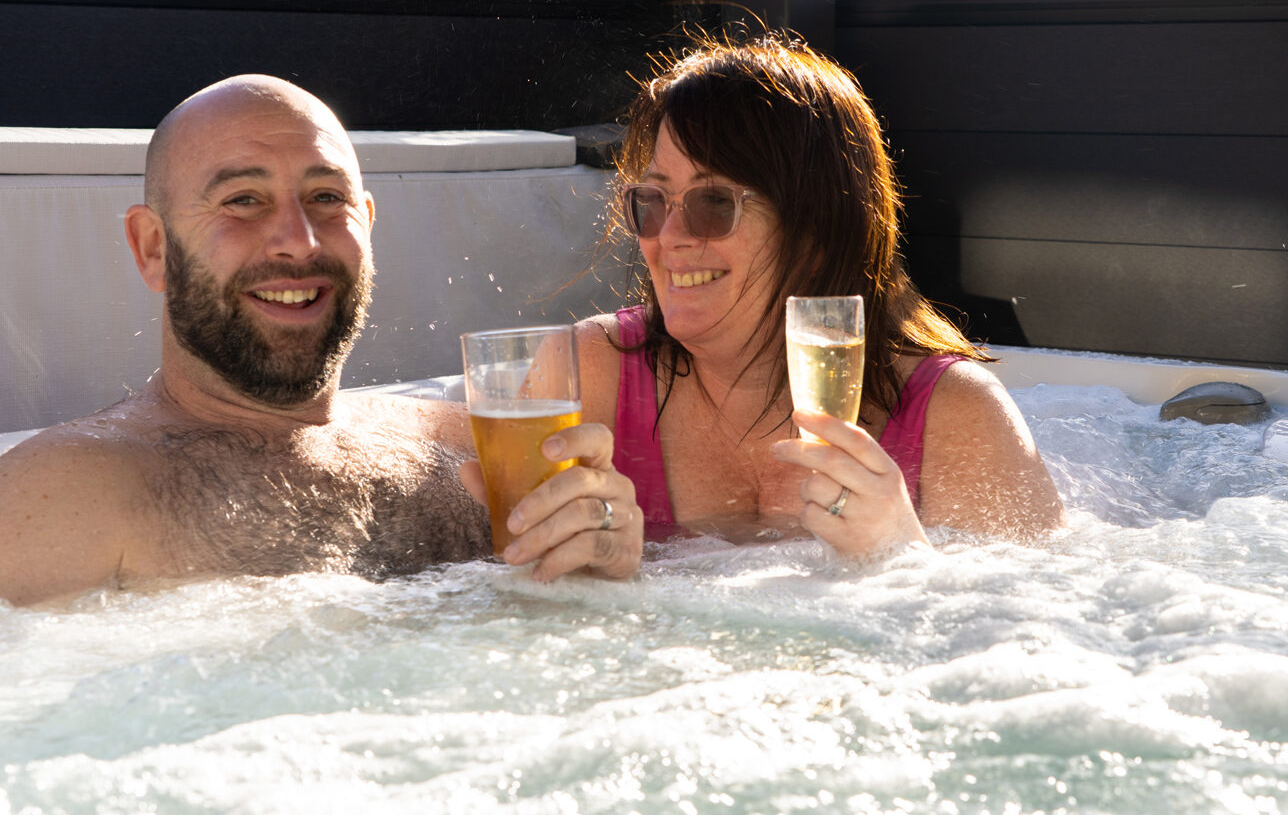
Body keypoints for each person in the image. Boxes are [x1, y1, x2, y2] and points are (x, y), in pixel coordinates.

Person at [0, 76, 642, 607]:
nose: (299, 240)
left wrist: (612, 568)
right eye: (243, 199)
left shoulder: (472, 450)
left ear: (366, 224)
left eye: (326, 198)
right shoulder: (62, 495)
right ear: (153, 248)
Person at [575, 32, 1063, 553]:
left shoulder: (956, 417)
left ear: (817, 231)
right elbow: (479, 526)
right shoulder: (593, 371)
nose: (667, 236)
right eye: (651, 201)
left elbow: (1038, 618)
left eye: (713, 202)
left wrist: (903, 555)